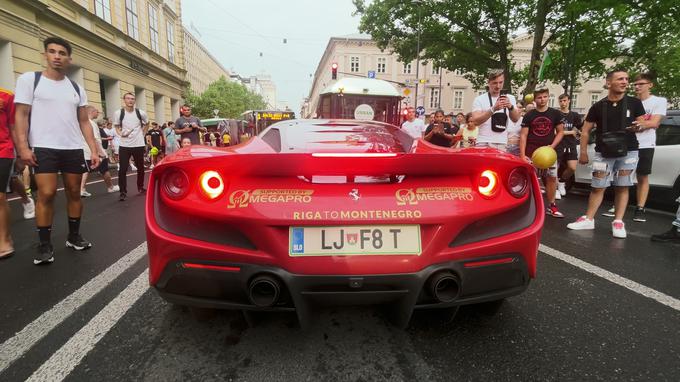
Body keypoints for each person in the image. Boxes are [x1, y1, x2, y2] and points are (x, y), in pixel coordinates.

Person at [13, 36, 99, 265]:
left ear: (69, 59)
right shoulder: (30, 80)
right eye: (52, 51)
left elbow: (83, 121)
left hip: (72, 148)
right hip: (43, 147)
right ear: (45, 55)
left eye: (62, 53)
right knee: (47, 193)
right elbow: (20, 114)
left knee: (74, 192)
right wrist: (22, 147)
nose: (57, 56)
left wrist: (94, 149)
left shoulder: (76, 88)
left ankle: (73, 236)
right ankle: (44, 244)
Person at [567, 69, 646, 238]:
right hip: (603, 151)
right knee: (598, 185)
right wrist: (582, 152)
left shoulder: (634, 103)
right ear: (609, 83)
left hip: (629, 150)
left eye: (626, 78)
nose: (625, 81)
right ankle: (589, 219)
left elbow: (641, 122)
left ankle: (618, 221)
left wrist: (639, 126)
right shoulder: (598, 105)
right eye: (620, 79)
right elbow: (586, 130)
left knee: (622, 185)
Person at [603, 73, 667, 222]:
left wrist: (638, 124)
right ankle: (617, 206)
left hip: (646, 144)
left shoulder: (658, 101)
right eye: (635, 84)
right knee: (622, 175)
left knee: (642, 175)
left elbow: (654, 123)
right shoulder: (629, 101)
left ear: (650, 85)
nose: (637, 87)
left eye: (641, 84)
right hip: (628, 143)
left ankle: (640, 208)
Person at [520, 88, 565, 218]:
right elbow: (523, 135)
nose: (542, 99)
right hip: (531, 152)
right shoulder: (529, 115)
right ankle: (527, 206)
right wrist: (522, 155)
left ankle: (552, 206)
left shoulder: (555, 113)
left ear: (548, 97)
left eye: (545, 97)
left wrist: (552, 146)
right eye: (539, 97)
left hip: (548, 153)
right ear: (534, 99)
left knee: (551, 178)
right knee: (530, 179)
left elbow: (560, 132)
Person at [470, 69, 521, 151]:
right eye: (495, 83)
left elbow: (515, 119)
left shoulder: (510, 98)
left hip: (503, 143)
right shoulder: (479, 99)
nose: (498, 86)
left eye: (501, 82)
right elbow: (475, 121)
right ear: (488, 82)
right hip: (484, 141)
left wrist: (510, 107)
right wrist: (493, 109)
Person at [113, 92, 148, 201]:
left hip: (138, 144)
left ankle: (140, 187)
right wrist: (120, 133)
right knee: (122, 169)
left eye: (132, 98)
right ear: (124, 100)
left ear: (135, 100)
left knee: (140, 167)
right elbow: (116, 126)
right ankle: (123, 191)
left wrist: (143, 134)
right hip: (124, 145)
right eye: (128, 98)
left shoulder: (140, 112)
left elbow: (147, 123)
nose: (130, 100)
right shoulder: (119, 113)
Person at [80, 106, 119, 196]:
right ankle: (111, 187)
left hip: (85, 150)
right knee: (104, 169)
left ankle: (81, 189)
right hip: (94, 151)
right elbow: (95, 139)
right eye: (97, 112)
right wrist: (101, 152)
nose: (98, 114)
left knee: (86, 170)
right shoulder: (91, 124)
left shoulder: (82, 123)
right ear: (92, 112)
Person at [556, 94, 583, 197]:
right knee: (555, 168)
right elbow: (557, 132)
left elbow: (577, 130)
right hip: (559, 144)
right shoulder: (557, 114)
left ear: (569, 101)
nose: (563, 103)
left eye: (565, 101)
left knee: (572, 167)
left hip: (571, 144)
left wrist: (574, 132)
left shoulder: (575, 115)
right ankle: (555, 189)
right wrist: (570, 132)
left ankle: (562, 181)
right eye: (561, 101)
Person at [0, 85, 15, 259]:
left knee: (0, 196)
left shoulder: (7, 95)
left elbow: (13, 125)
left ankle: (4, 238)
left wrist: (20, 152)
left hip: (3, 150)